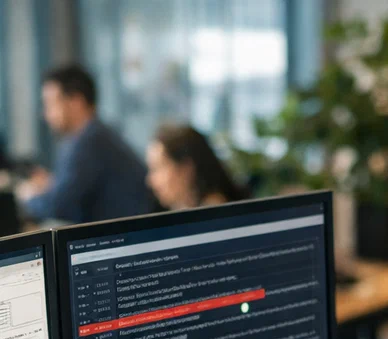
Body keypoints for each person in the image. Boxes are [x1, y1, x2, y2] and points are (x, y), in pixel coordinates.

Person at [16, 65, 151, 224]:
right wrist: (52, 185)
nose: (45, 114)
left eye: (51, 104)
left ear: (76, 102)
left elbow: (58, 206)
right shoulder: (94, 134)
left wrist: (28, 196)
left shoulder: (89, 143)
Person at [146, 124, 246, 211]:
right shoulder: (185, 212)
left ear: (186, 168)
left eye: (157, 168)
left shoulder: (214, 215)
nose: (150, 181)